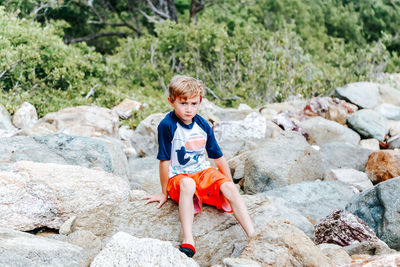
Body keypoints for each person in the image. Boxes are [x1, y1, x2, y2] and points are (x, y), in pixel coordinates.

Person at [142, 75, 254, 258]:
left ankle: (252, 235)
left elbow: (217, 156)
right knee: (188, 185)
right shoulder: (167, 125)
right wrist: (164, 192)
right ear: (171, 101)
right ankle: (188, 240)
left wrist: (228, 183)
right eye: (183, 103)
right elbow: (164, 161)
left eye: (194, 104)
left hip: (202, 171)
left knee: (228, 186)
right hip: (179, 177)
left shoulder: (202, 124)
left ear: (200, 102)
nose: (189, 109)